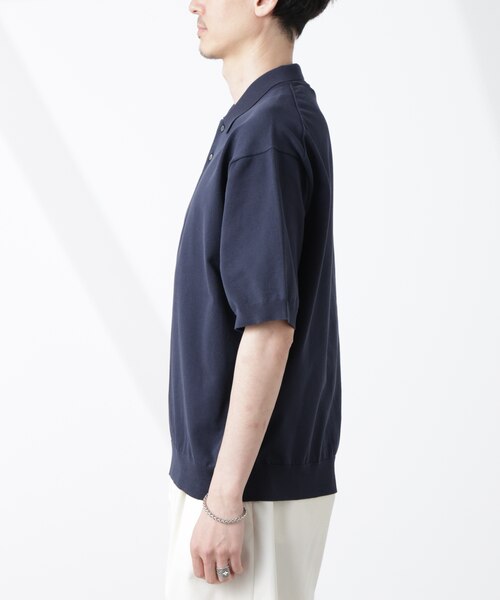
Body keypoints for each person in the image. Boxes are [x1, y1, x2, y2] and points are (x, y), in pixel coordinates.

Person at [164, 0, 342, 597]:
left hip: (245, 491)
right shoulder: (264, 120)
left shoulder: (268, 130)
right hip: (239, 483)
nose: (193, 3)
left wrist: (223, 501)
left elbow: (268, 329)